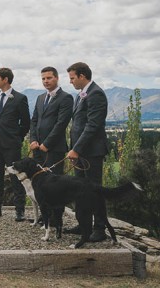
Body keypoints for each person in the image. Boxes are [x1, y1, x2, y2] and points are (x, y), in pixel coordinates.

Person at [65, 62, 110, 242]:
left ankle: (99, 229)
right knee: (80, 190)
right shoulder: (81, 95)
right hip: (80, 152)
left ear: (82, 76)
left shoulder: (96, 94)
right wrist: (73, 149)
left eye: (72, 78)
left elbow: (92, 126)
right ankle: (84, 224)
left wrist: (76, 149)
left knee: (94, 191)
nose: (71, 82)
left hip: (92, 152)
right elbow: (77, 126)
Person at [0, 67, 30, 221]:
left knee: (16, 177)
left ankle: (19, 210)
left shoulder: (20, 98)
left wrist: (16, 137)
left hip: (11, 145)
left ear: (5, 79)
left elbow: (26, 123)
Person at [30, 66, 73, 173]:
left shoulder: (65, 97)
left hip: (54, 148)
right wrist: (33, 140)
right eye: (43, 79)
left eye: (49, 78)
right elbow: (34, 120)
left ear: (57, 78)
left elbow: (61, 124)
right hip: (37, 148)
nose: (46, 81)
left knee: (54, 183)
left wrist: (47, 144)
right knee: (38, 181)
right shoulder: (40, 97)